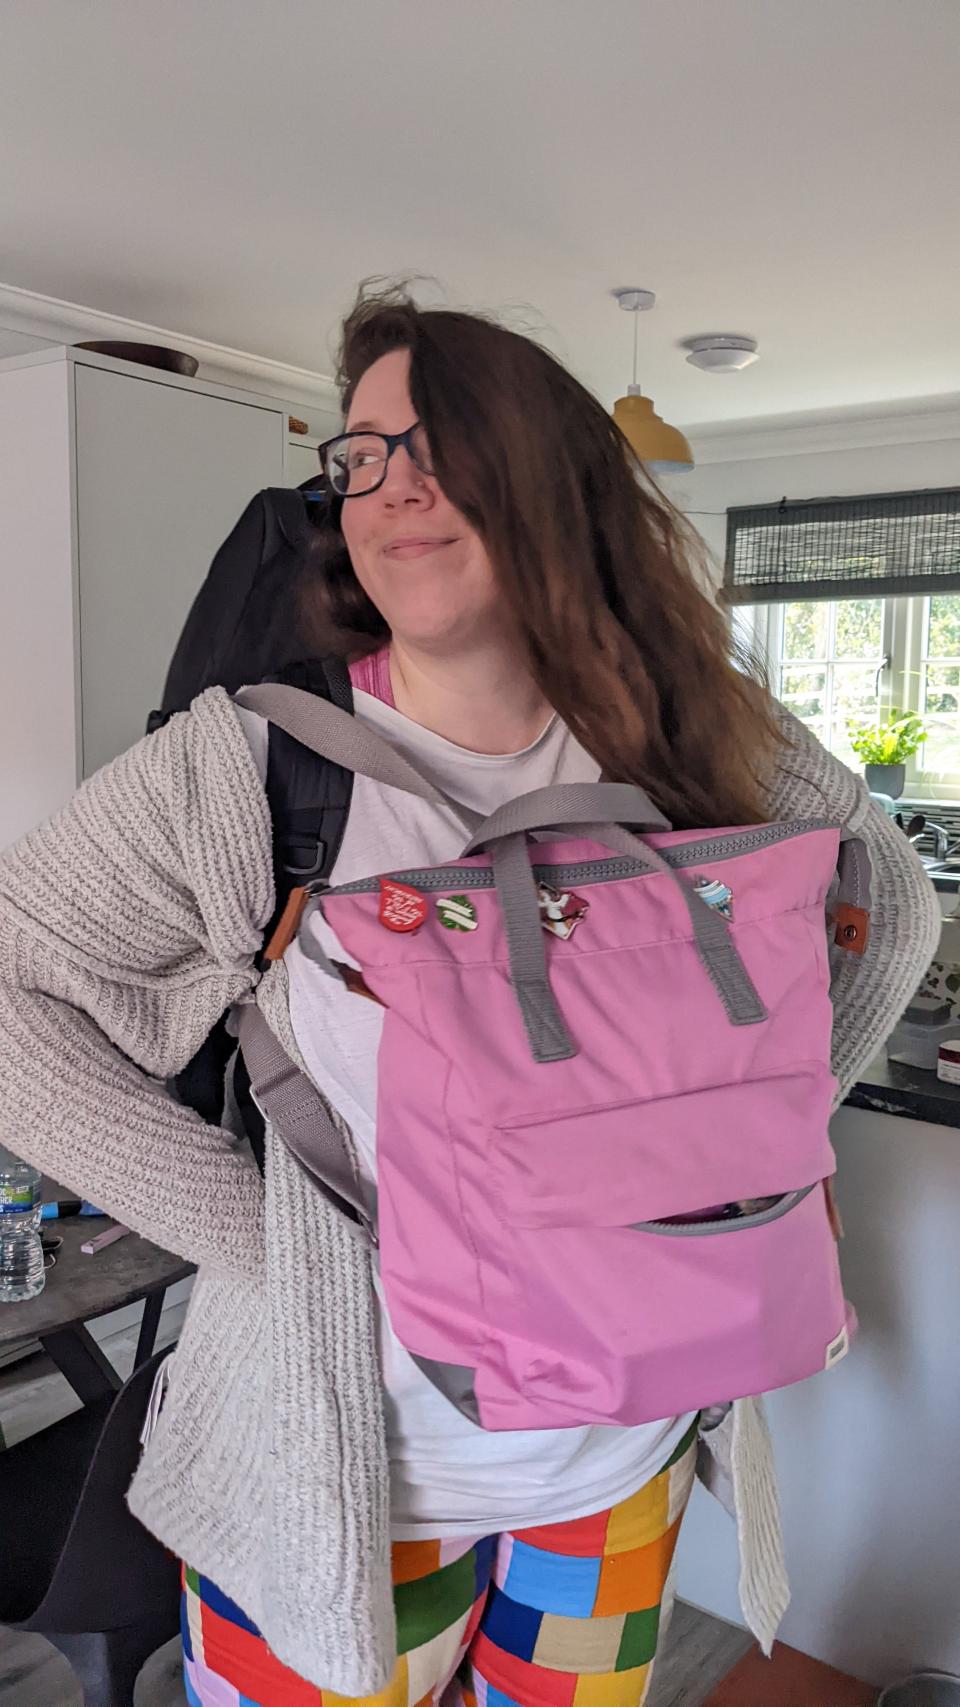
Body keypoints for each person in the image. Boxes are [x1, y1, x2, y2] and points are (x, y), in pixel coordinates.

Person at [0, 286, 939, 1707]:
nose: (392, 484)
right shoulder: (250, 775)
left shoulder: (700, 747)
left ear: (554, 483)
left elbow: (891, 903)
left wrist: (772, 1125)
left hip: (617, 1473)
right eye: (361, 453)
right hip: (347, 1487)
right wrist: (248, 1228)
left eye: (443, 441)